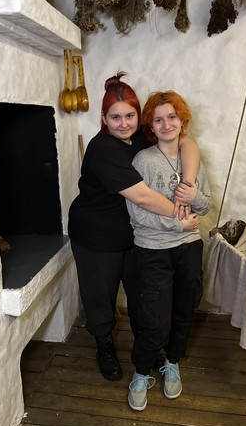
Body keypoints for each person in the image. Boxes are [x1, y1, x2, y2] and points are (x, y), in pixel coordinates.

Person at [68, 73, 201, 382]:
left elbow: (187, 143)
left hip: (134, 233)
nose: (124, 123)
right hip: (96, 234)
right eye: (115, 117)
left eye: (129, 115)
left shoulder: (142, 136)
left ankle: (148, 346)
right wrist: (179, 215)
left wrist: (188, 184)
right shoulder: (103, 149)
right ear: (104, 118)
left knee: (143, 295)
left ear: (139, 115)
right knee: (101, 297)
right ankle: (104, 345)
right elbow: (142, 196)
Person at [126, 90, 212, 411]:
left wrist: (193, 196)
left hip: (189, 249)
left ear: (182, 119)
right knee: (154, 321)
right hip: (153, 252)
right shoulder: (143, 160)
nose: (166, 125)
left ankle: (172, 362)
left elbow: (205, 205)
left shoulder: (192, 159)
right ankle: (140, 373)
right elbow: (137, 214)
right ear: (150, 125)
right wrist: (177, 225)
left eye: (172, 117)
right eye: (158, 119)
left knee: (184, 311)